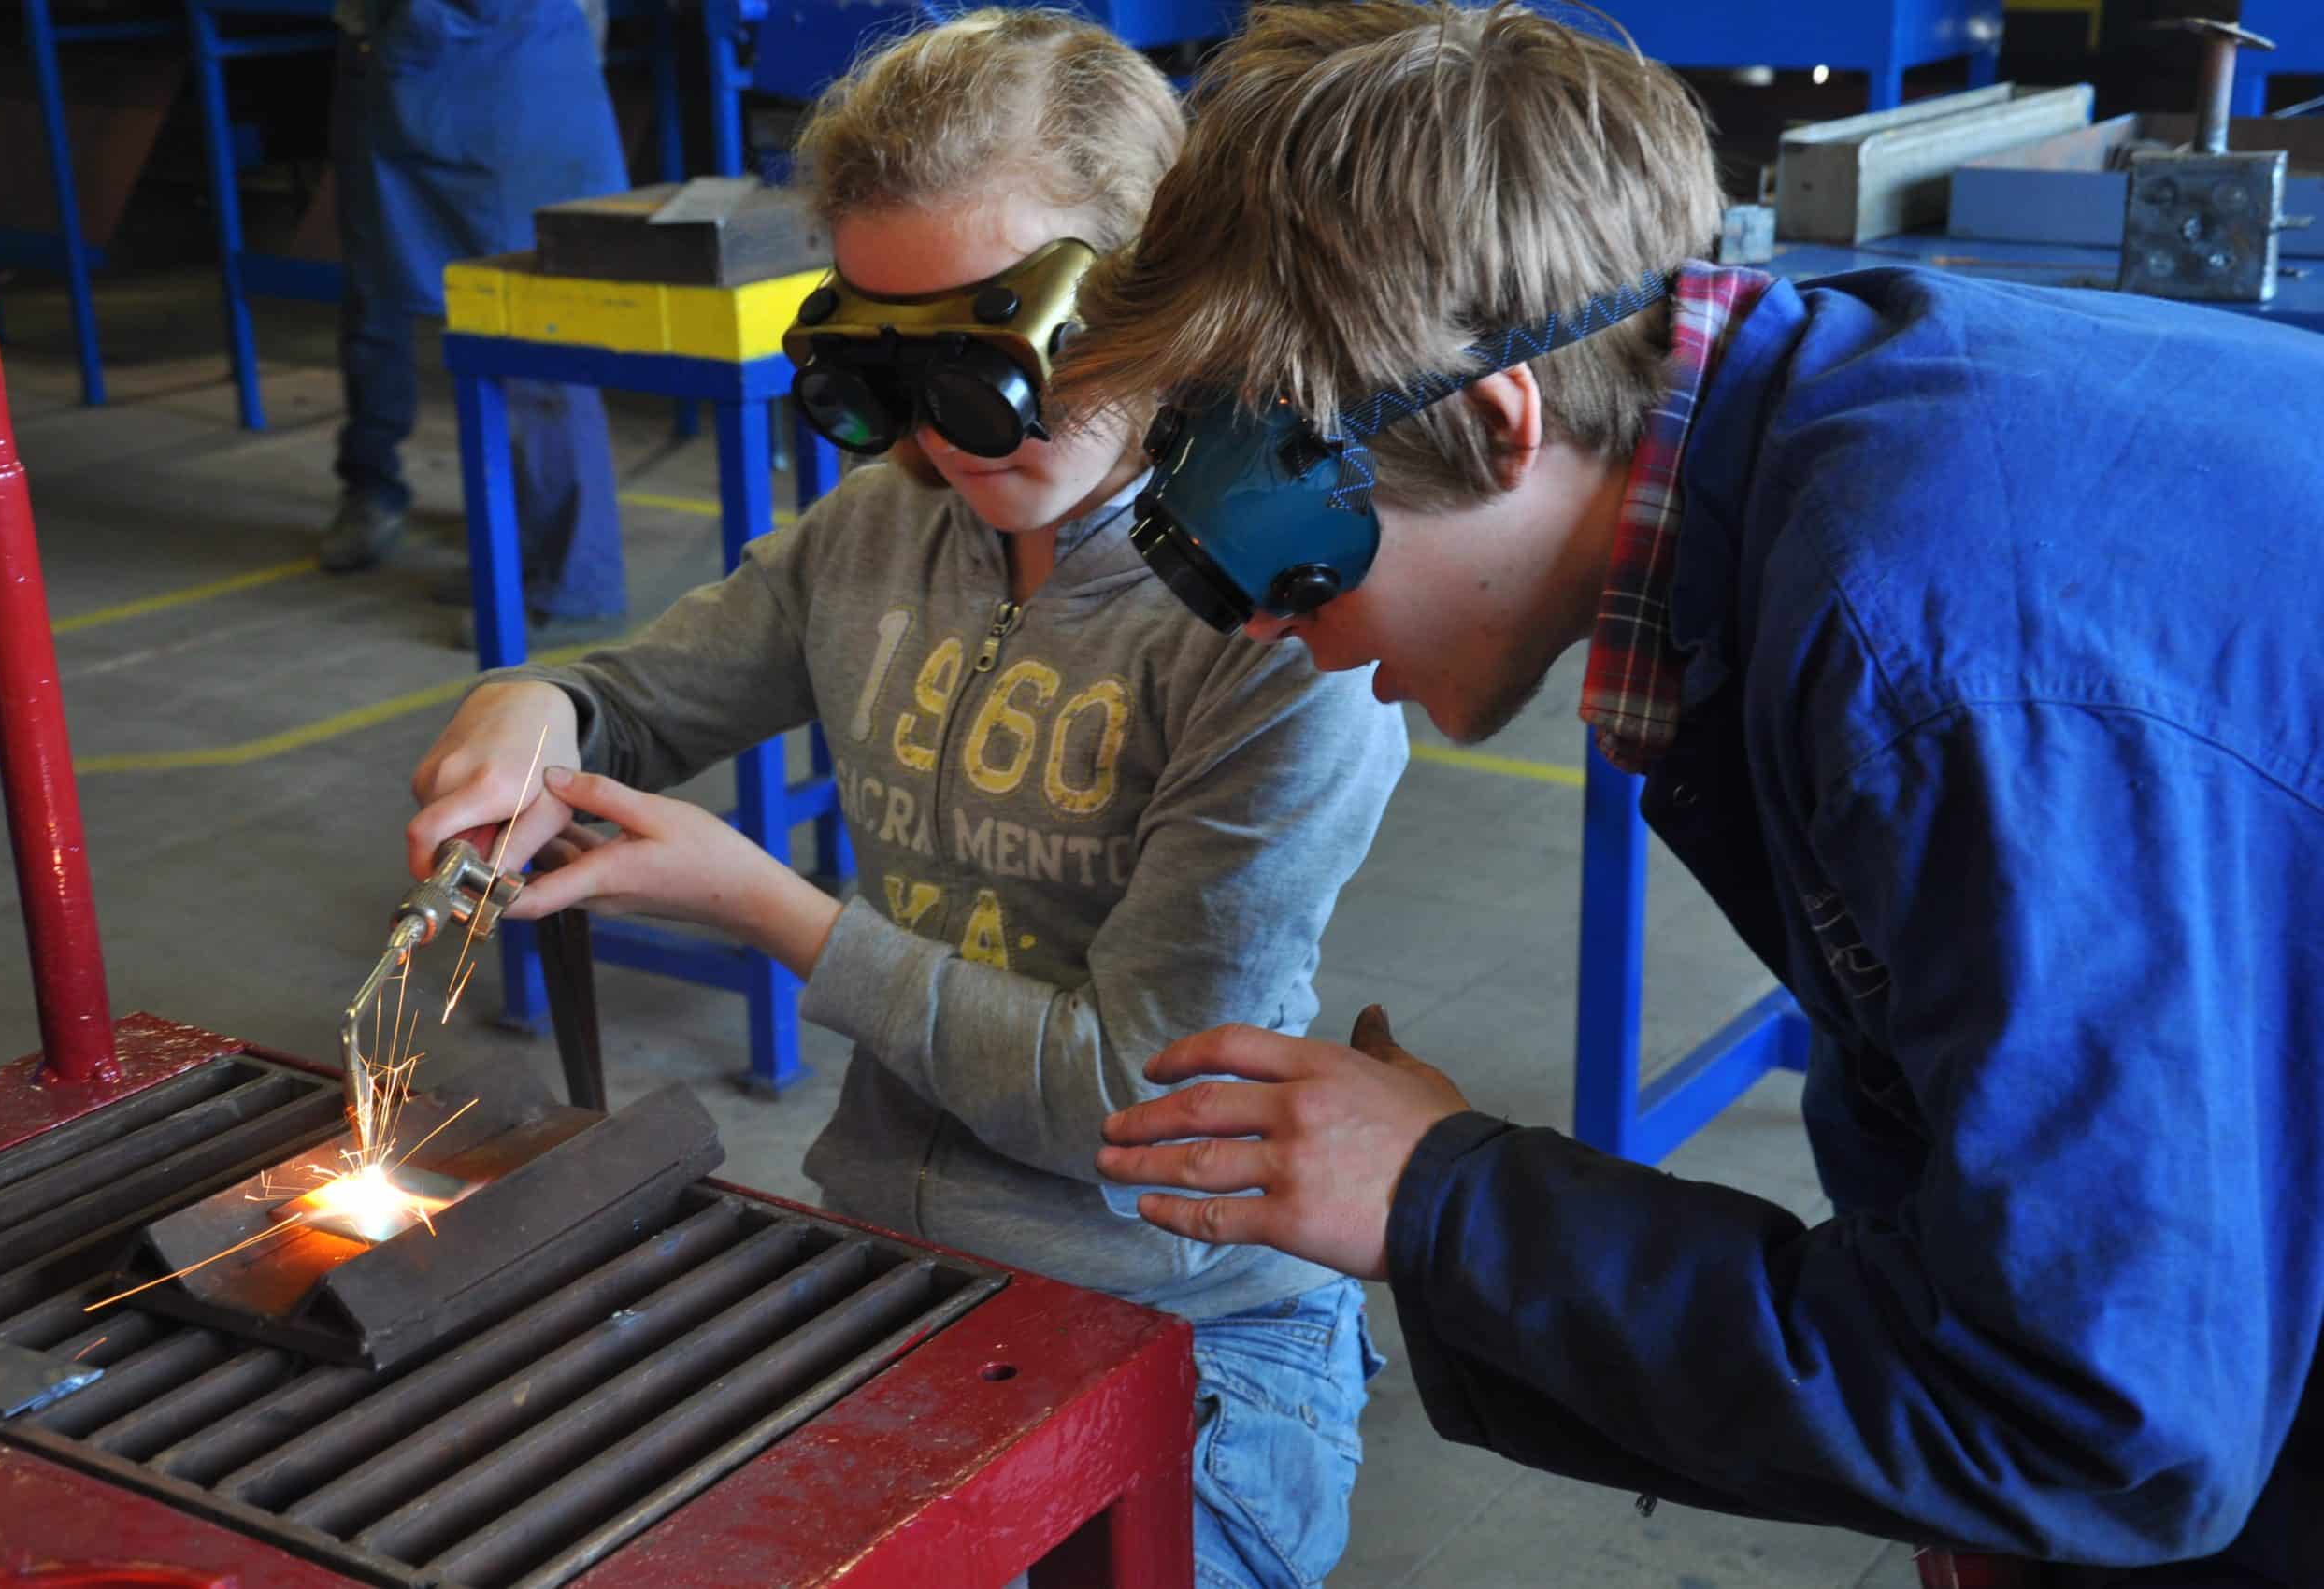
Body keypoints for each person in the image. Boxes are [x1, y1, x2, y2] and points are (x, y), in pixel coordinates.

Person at [1058, 5, 2324, 1587]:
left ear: (1500, 423)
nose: (1253, 620)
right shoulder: (1824, 415)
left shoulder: (1923, 654)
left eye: (1271, 528)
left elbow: (2096, 1425)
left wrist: (1445, 1201)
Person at [401, 12, 1409, 1585]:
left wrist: (772, 912)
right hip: (891, 1263)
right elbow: (634, 701)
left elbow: (1133, 1104)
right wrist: (531, 710)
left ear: (1155, 290)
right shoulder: (882, 530)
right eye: (897, 368)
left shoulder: (1283, 631)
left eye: (992, 359)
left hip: (1181, 1319)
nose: (947, 429)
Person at [323, 0, 628, 646]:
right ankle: (521, 559)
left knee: (536, 344)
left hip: (503, 80)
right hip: (447, 74)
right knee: (487, 342)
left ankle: (573, 586)